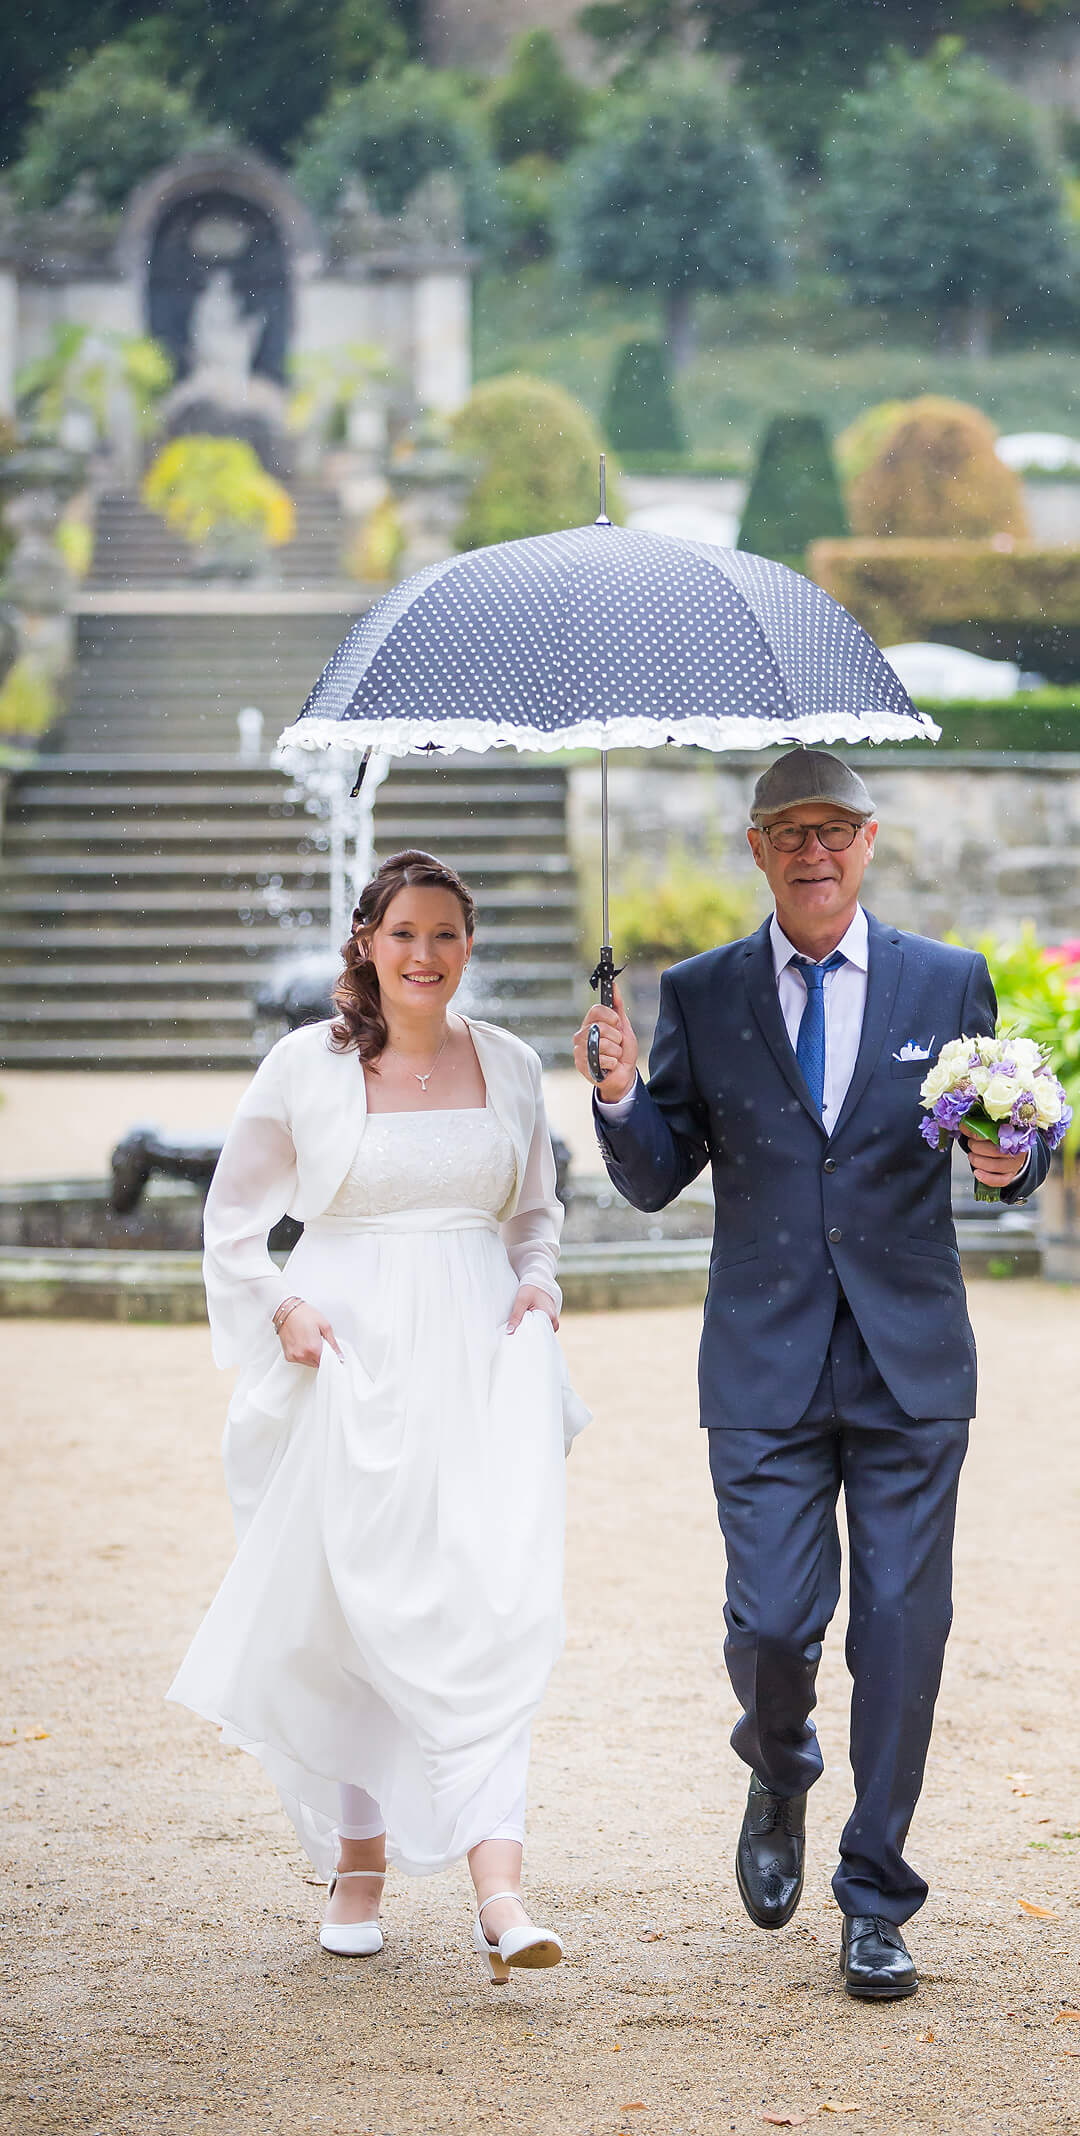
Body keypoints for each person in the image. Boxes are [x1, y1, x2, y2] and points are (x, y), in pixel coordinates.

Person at [575, 750, 1049, 2001]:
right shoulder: (707, 992)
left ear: (870, 841)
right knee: (776, 1625)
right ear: (756, 849)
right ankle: (778, 1761)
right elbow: (653, 1171)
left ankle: (877, 1895)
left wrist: (1014, 1160)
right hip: (764, 1364)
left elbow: (1007, 1128)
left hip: (909, 1364)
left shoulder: (946, 983)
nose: (814, 851)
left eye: (835, 829)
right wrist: (622, 1097)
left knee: (903, 1633)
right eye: (789, 831)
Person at [170, 848, 589, 1980]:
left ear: (470, 947)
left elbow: (534, 1216)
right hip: (348, 1363)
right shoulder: (305, 1067)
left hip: (477, 1365)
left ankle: (500, 1895)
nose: (425, 955)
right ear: (366, 941)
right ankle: (358, 1862)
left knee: (489, 1600)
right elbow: (234, 1220)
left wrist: (539, 1288)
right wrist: (280, 1304)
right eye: (404, 933)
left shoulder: (506, 1064)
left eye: (447, 934)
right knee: (356, 1604)